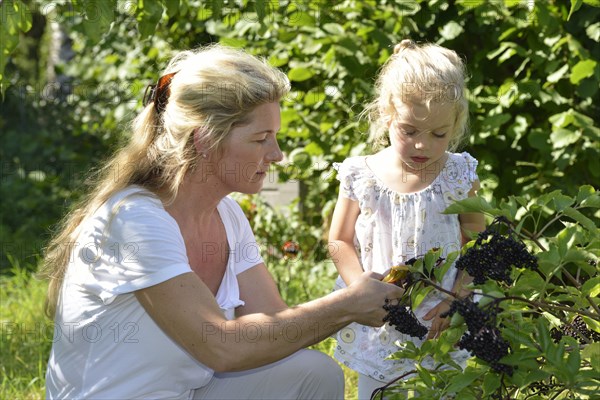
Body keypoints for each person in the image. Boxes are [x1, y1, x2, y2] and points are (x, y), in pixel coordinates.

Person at [40, 44, 405, 400]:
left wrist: (361, 298)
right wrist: (345, 305)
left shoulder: (227, 215)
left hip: (187, 393)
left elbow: (275, 323)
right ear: (205, 139)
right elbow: (221, 347)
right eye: (262, 139)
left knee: (313, 374)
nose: (276, 155)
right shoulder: (133, 220)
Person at [327, 39, 486, 399]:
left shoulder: (457, 175)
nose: (422, 145)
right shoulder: (362, 175)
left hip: (440, 312)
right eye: (409, 130)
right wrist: (361, 289)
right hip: (380, 312)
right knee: (378, 390)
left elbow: (479, 237)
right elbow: (339, 240)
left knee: (444, 389)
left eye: (438, 134)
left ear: (456, 123)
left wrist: (458, 297)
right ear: (387, 114)